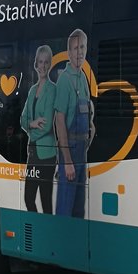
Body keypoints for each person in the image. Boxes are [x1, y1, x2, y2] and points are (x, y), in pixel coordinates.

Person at [53, 28, 94, 218]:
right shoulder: (65, 80)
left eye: (83, 47)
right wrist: (67, 162)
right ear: (69, 52)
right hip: (70, 152)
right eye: (76, 48)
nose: (80, 52)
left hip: (82, 154)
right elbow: (59, 121)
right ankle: (60, 246)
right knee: (65, 208)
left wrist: (91, 126)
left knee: (79, 209)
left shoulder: (83, 78)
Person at [20, 44, 57, 213]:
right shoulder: (32, 90)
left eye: (46, 62)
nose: (42, 66)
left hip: (47, 154)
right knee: (28, 199)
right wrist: (32, 123)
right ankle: (38, 228)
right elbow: (22, 119)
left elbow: (48, 125)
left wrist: (30, 127)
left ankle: (48, 235)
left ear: (50, 65)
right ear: (35, 63)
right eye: (40, 62)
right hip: (33, 153)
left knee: (46, 201)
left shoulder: (53, 90)